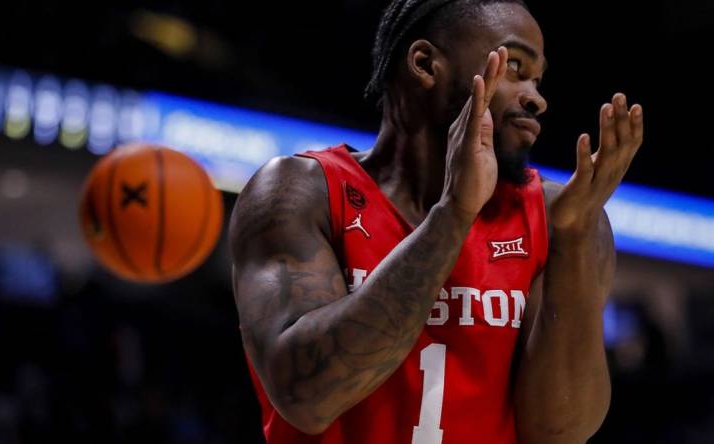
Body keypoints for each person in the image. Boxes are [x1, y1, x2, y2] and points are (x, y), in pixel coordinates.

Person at [229, 0, 643, 443]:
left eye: (538, 80)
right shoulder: (298, 192)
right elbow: (308, 397)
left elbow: (558, 431)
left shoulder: (558, 220)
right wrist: (453, 215)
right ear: (425, 64)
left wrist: (575, 240)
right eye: (515, 66)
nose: (536, 99)